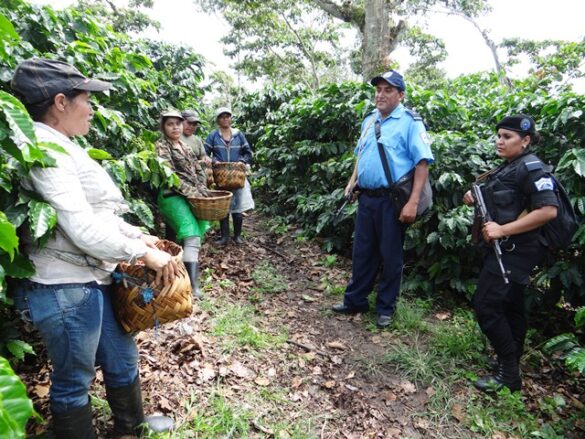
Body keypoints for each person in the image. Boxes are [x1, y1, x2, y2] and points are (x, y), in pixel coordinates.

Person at [9, 58, 175, 438]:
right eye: (87, 99)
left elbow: (93, 211)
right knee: (74, 378)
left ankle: (130, 426)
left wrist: (132, 233)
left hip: (92, 276)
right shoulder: (44, 151)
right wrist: (141, 253)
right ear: (61, 102)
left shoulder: (63, 144)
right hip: (65, 285)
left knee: (121, 356)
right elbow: (80, 227)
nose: (93, 109)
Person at [331, 70, 434, 329]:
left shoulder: (411, 122)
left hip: (393, 201)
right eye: (378, 90)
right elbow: (361, 155)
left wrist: (412, 202)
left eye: (389, 90)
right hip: (367, 198)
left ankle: (386, 307)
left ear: (401, 95)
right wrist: (352, 182)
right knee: (362, 251)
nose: (381, 95)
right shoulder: (368, 120)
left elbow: (422, 163)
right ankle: (355, 300)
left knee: (390, 255)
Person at [463, 114, 558, 392]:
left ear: (525, 140)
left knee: (486, 305)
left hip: (517, 250)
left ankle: (508, 373)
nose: (499, 141)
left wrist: (503, 231)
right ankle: (510, 362)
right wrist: (473, 197)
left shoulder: (531, 168)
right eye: (499, 135)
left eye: (507, 137)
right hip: (508, 248)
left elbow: (548, 210)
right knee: (511, 306)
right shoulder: (509, 167)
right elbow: (505, 203)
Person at [156, 110, 211, 299]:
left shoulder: (185, 147)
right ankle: (193, 287)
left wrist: (203, 191)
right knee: (191, 233)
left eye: (178, 124)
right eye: (170, 124)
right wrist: (194, 193)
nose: (175, 127)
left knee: (195, 231)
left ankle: (179, 276)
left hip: (191, 197)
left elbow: (197, 171)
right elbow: (171, 176)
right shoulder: (162, 146)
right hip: (172, 196)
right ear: (163, 127)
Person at [204, 107, 254, 245]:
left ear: (231, 118)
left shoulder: (238, 135)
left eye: (227, 116)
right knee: (223, 207)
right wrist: (214, 161)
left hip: (237, 176)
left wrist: (241, 161)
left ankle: (237, 236)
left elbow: (248, 153)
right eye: (222, 117)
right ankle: (224, 237)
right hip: (221, 177)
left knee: (238, 207)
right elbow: (204, 153)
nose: (225, 119)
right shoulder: (213, 136)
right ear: (218, 120)